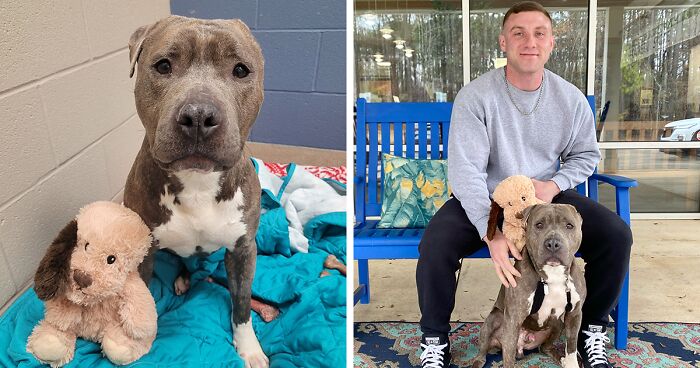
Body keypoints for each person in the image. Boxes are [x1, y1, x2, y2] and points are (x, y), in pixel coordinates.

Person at [415, 2, 632, 368]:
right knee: (435, 244)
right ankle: (435, 339)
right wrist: (493, 232)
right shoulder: (476, 96)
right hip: (487, 198)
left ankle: (591, 330)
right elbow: (466, 171)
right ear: (503, 42)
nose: (529, 42)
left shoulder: (570, 98)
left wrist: (554, 184)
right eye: (518, 33)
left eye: (539, 34)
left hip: (547, 197)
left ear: (550, 44)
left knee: (615, 235)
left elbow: (586, 155)